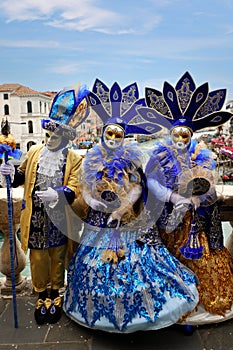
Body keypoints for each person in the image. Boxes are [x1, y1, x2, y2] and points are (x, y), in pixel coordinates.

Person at [63, 79, 199, 333]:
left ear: (124, 137)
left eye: (118, 134)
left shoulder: (132, 158)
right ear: (103, 134)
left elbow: (137, 187)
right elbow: (87, 190)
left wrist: (120, 207)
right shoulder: (92, 159)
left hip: (129, 218)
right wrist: (98, 204)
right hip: (99, 222)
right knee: (94, 265)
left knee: (145, 263)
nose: (114, 138)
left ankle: (164, 310)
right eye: (110, 134)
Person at [138, 71, 233, 325]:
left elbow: (210, 188)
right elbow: (151, 183)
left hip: (196, 224)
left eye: (185, 136)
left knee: (203, 261)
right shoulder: (160, 157)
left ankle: (200, 305)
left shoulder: (202, 157)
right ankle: (177, 308)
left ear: (191, 138)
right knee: (171, 261)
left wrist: (198, 199)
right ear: (170, 135)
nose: (180, 140)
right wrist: (172, 197)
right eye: (177, 135)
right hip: (170, 221)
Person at [0, 84, 90, 325]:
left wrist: (59, 194)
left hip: (60, 219)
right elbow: (21, 176)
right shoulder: (35, 152)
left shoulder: (73, 159)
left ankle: (55, 295)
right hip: (37, 217)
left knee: (58, 257)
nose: (50, 140)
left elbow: (75, 188)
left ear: (65, 138)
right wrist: (8, 173)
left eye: (55, 137)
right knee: (38, 258)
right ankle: (42, 295)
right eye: (48, 136)